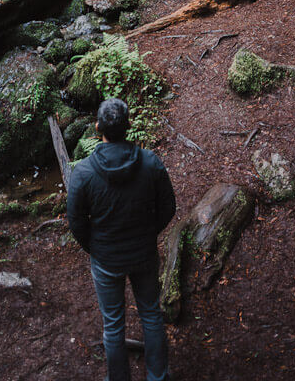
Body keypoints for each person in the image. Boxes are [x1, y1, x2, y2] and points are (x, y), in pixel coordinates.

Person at [67, 97, 176, 381]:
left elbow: (76, 222)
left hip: (106, 259)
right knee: (151, 315)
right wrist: (148, 234)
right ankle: (158, 377)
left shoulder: (84, 173)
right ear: (129, 127)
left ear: (97, 128)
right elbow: (168, 207)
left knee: (113, 326)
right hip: (143, 254)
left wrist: (95, 247)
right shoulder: (150, 163)